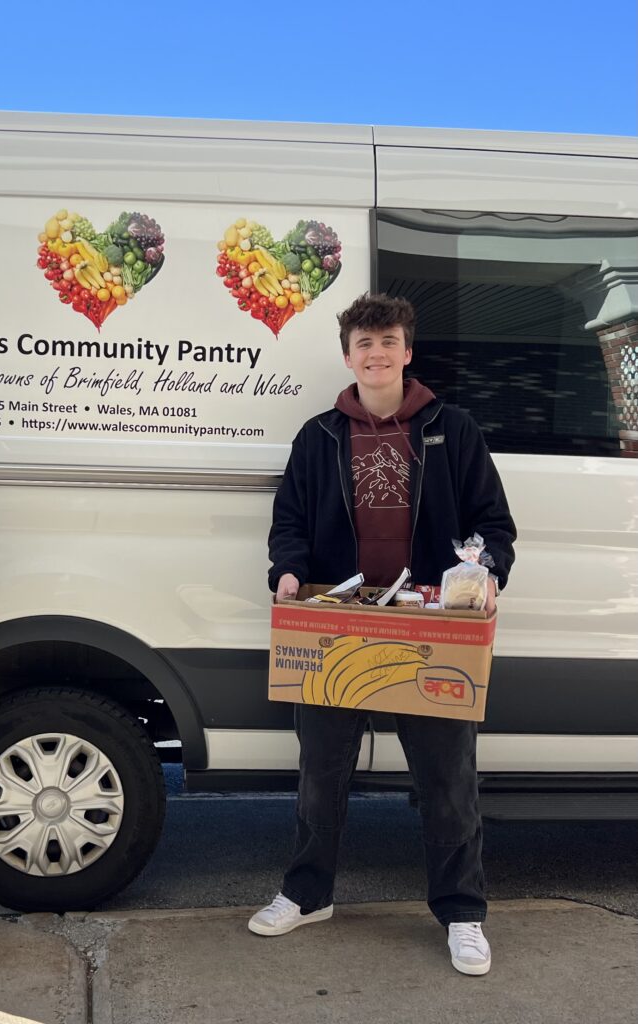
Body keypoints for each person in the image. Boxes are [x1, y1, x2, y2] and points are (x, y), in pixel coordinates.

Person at [251, 293, 516, 976]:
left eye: (389, 341)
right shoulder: (319, 436)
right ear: (348, 356)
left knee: (448, 781)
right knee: (321, 776)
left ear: (407, 351)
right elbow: (290, 522)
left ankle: (462, 912)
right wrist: (287, 573)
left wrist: (486, 572)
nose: (377, 354)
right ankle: (308, 895)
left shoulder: (451, 429)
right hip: (337, 627)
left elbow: (493, 523)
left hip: (430, 631)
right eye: (364, 344)